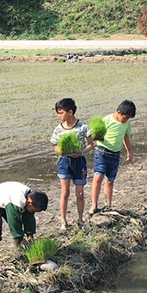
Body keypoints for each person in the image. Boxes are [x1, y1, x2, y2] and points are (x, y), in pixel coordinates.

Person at [50, 98, 93, 229]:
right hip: (64, 162)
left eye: (61, 113)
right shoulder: (58, 129)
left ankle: (80, 219)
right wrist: (62, 152)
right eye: (58, 113)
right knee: (65, 193)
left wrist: (81, 151)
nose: (59, 116)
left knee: (80, 193)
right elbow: (55, 146)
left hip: (79, 162)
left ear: (70, 112)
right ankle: (63, 221)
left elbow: (91, 144)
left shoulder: (83, 126)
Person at [0, 182, 48, 264]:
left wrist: (30, 235)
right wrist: (21, 238)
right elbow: (13, 222)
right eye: (33, 210)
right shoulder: (18, 201)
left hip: (7, 200)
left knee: (22, 218)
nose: (33, 212)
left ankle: (19, 250)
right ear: (29, 202)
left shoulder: (31, 197)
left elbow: (29, 217)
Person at [90, 100, 135, 214]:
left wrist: (130, 152)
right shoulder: (107, 120)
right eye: (125, 118)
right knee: (98, 177)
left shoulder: (126, 124)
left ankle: (108, 204)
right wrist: (96, 137)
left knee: (110, 180)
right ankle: (94, 205)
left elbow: (126, 137)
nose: (126, 120)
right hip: (102, 152)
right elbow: (95, 134)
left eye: (128, 118)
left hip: (115, 155)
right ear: (119, 112)